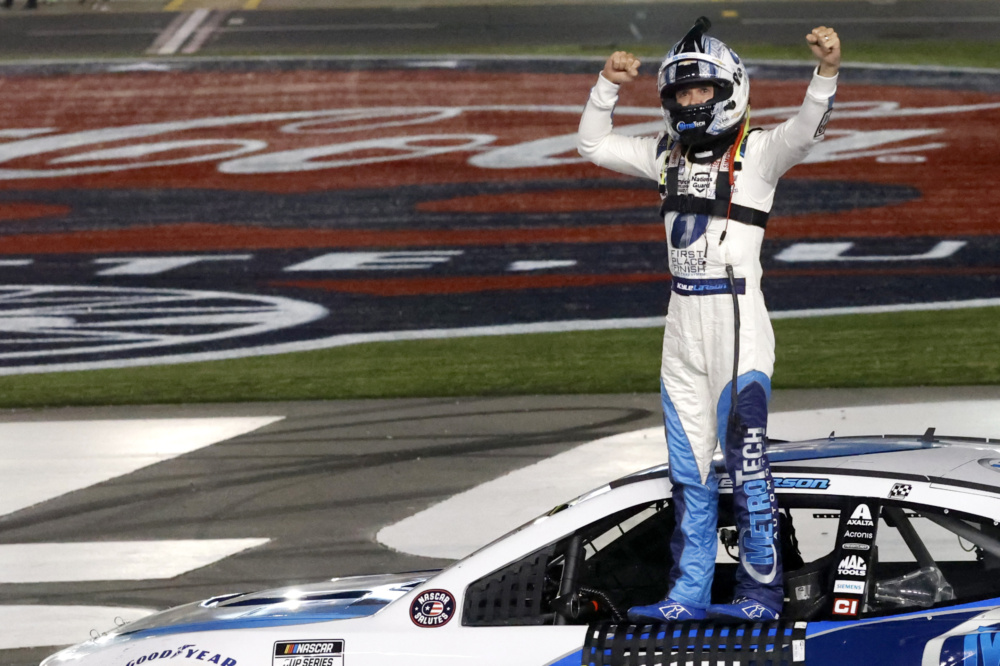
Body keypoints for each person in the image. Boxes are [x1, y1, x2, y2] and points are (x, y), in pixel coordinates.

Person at [577, 19, 840, 622]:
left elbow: (808, 129)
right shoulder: (662, 153)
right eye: (681, 92)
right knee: (689, 471)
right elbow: (592, 144)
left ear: (731, 88)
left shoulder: (761, 152)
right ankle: (687, 595)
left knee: (747, 466)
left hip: (737, 320)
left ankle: (760, 595)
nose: (692, 101)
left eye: (702, 89)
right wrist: (606, 84)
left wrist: (827, 71)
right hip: (681, 325)